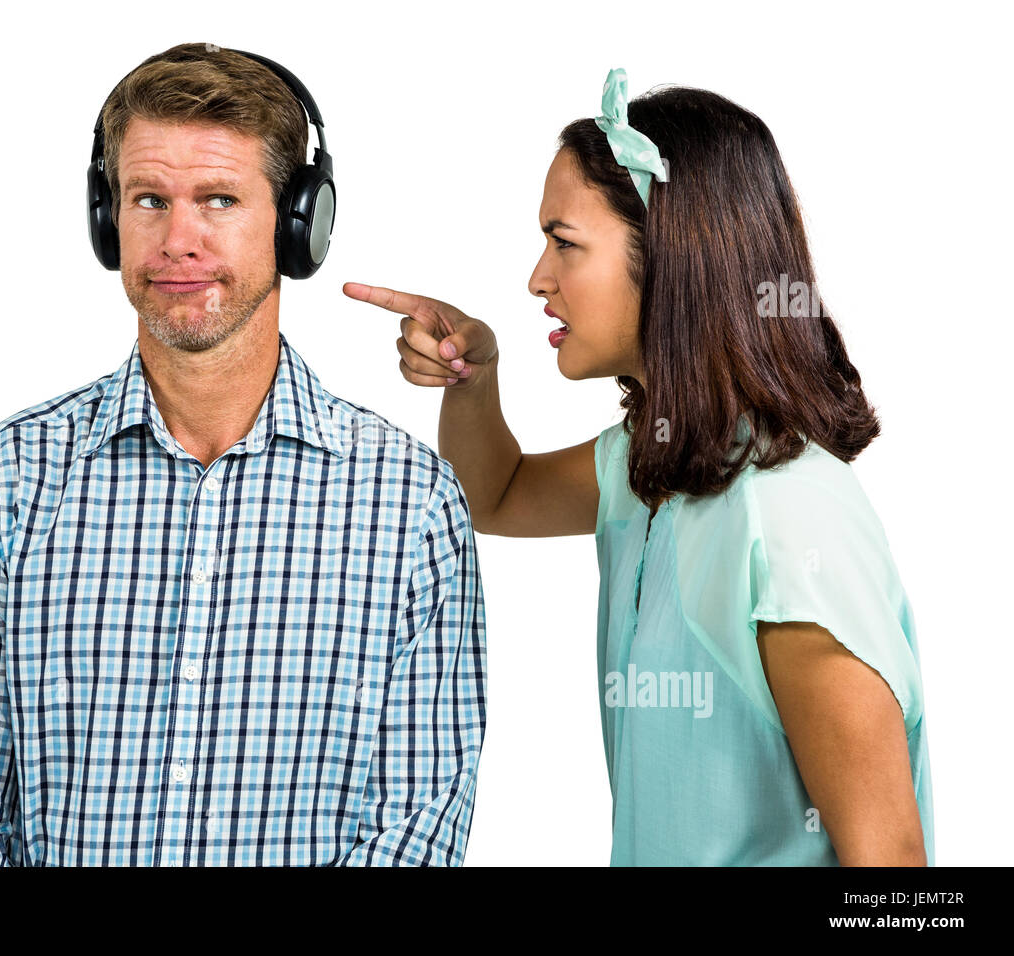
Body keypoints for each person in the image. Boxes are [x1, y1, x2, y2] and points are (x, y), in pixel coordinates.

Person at [0, 43, 487, 867]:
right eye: (147, 199)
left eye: (218, 199)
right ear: (107, 220)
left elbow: (414, 831)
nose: (179, 239)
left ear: (296, 224)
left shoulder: (409, 503)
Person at [345, 69, 933, 866]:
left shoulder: (789, 528)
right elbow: (497, 494)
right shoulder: (649, 464)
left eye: (564, 243)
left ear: (670, 262)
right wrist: (474, 376)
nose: (536, 278)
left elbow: (892, 878)